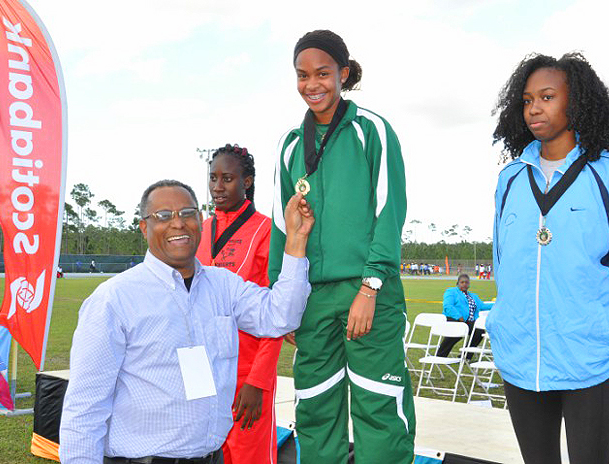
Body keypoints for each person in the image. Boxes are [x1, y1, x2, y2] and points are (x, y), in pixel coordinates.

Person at [489, 53, 609, 464]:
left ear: (578, 101)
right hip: (522, 358)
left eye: (548, 96)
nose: (535, 107)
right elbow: (504, 264)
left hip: (591, 355)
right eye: (528, 99)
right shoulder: (510, 178)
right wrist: (504, 327)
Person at [59, 180, 314, 464]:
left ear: (200, 222)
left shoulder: (223, 286)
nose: (178, 223)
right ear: (145, 228)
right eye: (163, 216)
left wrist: (296, 241)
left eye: (187, 213)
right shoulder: (114, 299)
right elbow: (84, 408)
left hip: (211, 457)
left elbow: (280, 316)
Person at [269, 29, 415, 464]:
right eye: (302, 75)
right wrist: (286, 300)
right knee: (315, 410)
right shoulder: (290, 144)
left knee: (379, 408)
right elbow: (281, 226)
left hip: (369, 294)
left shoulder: (373, 131)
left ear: (343, 74)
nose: (312, 84)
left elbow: (389, 215)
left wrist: (369, 288)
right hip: (312, 299)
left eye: (323, 73)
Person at [195, 144, 280, 464]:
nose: (217, 187)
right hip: (204, 373)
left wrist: (257, 382)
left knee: (248, 456)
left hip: (247, 375)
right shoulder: (200, 230)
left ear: (247, 182)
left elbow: (275, 314)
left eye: (227, 178)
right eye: (213, 178)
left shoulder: (266, 230)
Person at [436, 274, 494, 359]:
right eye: (462, 282)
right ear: (458, 283)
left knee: (479, 331)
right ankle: (440, 356)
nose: (464, 284)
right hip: (453, 318)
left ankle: (466, 356)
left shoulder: (473, 296)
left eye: (466, 282)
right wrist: (459, 317)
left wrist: (498, 304)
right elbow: (448, 306)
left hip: (468, 321)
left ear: (469, 284)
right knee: (457, 331)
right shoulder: (451, 292)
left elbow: (482, 306)